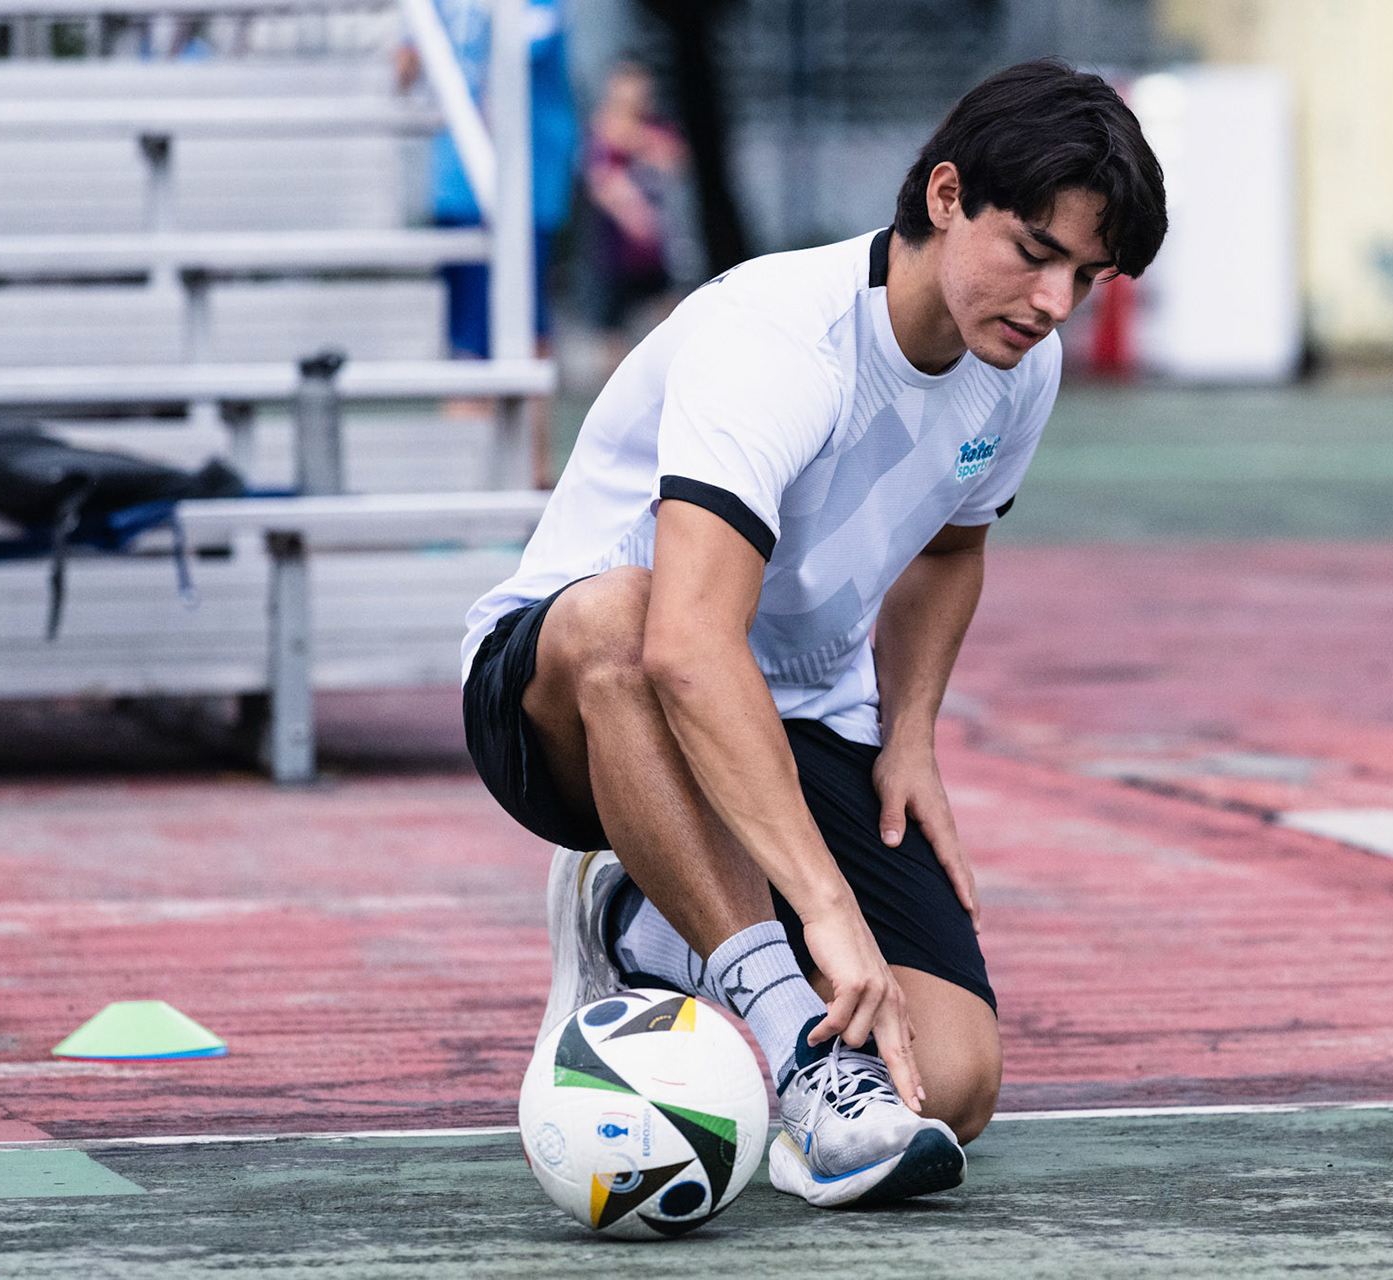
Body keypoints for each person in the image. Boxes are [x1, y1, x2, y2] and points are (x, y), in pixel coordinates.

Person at [461, 59, 1166, 1208]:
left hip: (795, 711)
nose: (1054, 304)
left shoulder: (1013, 368)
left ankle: (648, 922)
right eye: (1036, 252)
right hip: (571, 702)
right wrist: (824, 914)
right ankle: (790, 1044)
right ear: (946, 197)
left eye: (1086, 275)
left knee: (955, 1076)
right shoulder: (776, 335)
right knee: (626, 616)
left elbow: (952, 543)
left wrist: (914, 733)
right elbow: (687, 644)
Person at [398, 0, 576, 360]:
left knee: (522, 335)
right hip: (456, 180)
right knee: (467, 337)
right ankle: (475, 411)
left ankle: (516, 415)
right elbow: (405, 67)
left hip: (524, 186)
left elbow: (516, 58)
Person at [575, 61, 686, 377]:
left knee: (673, 328)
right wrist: (632, 212)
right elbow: (601, 182)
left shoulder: (657, 128)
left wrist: (631, 136)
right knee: (612, 342)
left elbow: (674, 160)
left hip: (656, 254)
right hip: (613, 254)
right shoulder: (597, 133)